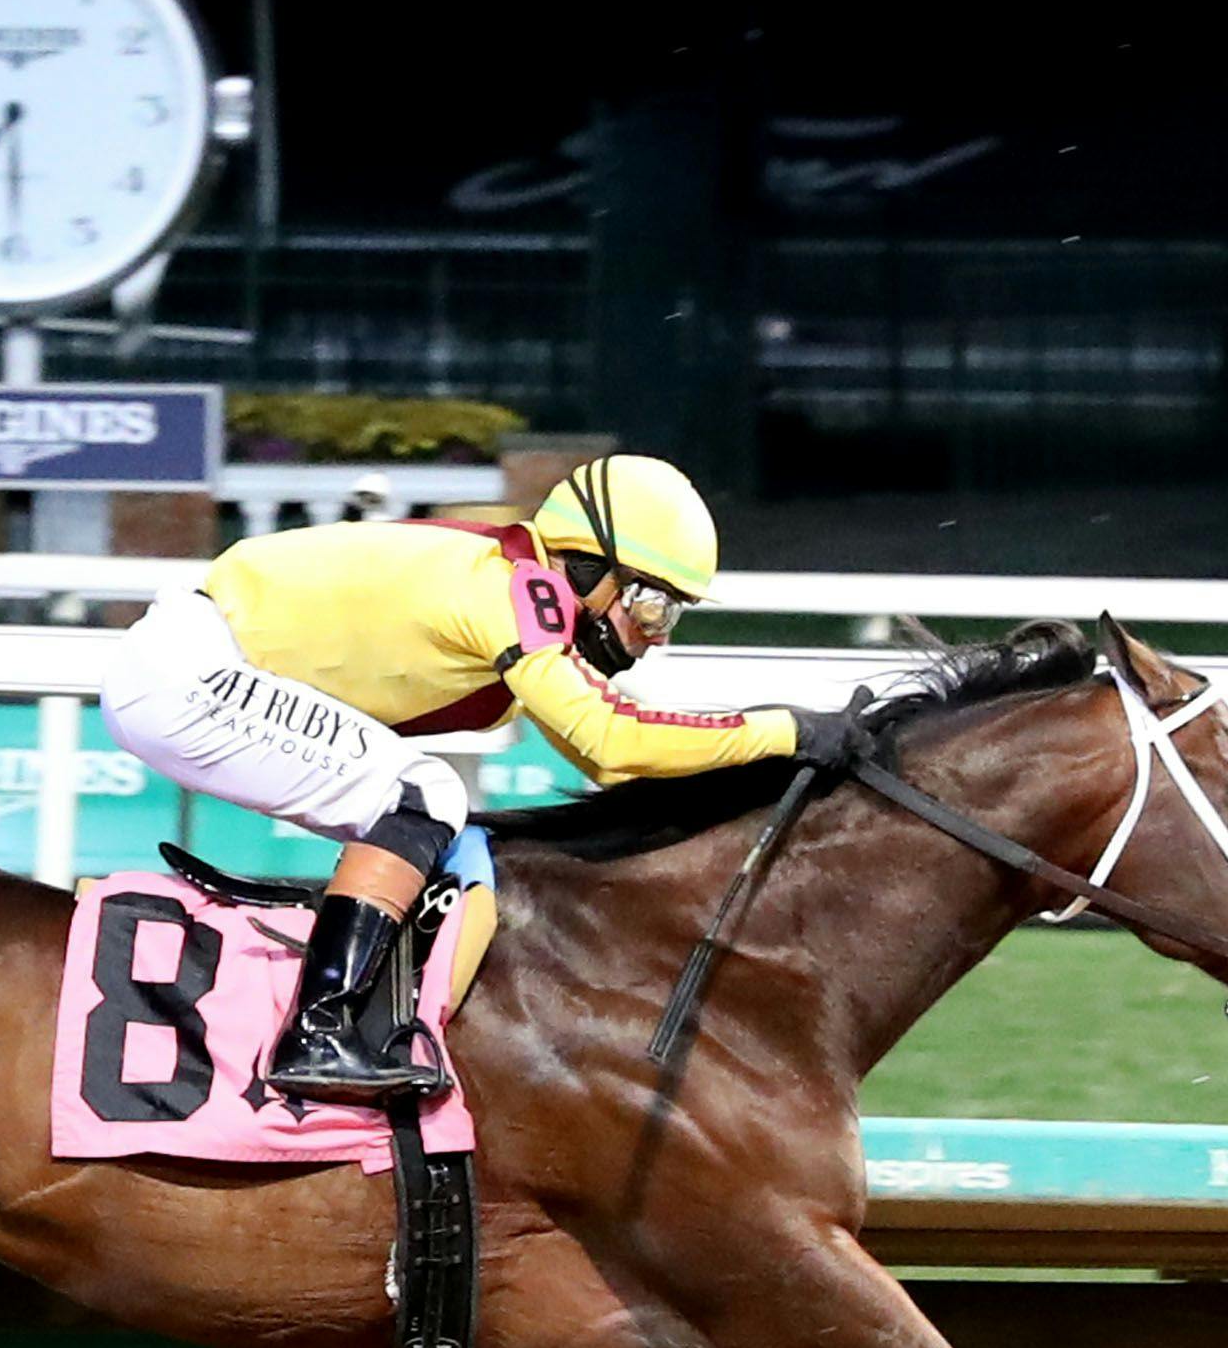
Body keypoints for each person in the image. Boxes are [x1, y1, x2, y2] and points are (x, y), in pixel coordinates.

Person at [97, 453, 799, 1105]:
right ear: (589, 571)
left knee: (457, 844)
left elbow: (593, 754)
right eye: (651, 606)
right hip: (187, 672)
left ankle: (391, 1023)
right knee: (424, 794)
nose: (659, 633)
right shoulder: (518, 590)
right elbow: (613, 742)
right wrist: (787, 731)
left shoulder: (516, 593)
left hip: (187, 667)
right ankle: (318, 1032)